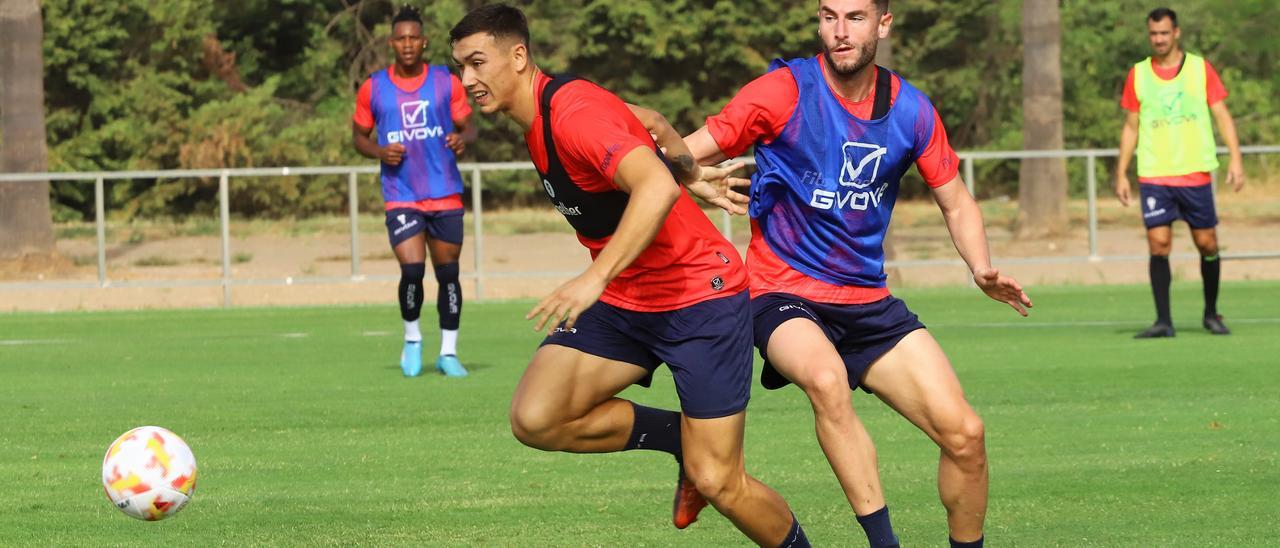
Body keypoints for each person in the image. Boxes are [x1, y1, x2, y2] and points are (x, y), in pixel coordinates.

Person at [449, 5, 811, 546]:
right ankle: (679, 440)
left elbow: (654, 189)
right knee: (537, 417)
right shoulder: (547, 113)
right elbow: (649, 122)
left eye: (477, 63)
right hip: (630, 298)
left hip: (698, 299)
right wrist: (691, 172)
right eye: (459, 67)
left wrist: (597, 275)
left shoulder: (572, 115)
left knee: (720, 482)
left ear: (518, 56)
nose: (467, 80)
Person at [676, 1, 1032, 546]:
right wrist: (687, 173)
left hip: (866, 299)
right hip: (780, 289)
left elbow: (956, 202)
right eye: (829, 16)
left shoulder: (911, 109)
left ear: (883, 24)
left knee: (966, 435)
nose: (840, 32)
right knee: (827, 380)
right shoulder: (783, 91)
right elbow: (683, 154)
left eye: (856, 17)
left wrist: (981, 267)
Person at [352, 5, 473, 377]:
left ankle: (449, 353)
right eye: (400, 38)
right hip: (401, 193)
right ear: (392, 43)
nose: (407, 44)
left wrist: (461, 138)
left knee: (448, 275)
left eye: (413, 38)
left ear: (424, 42)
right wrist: (378, 151)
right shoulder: (374, 86)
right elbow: (358, 137)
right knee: (412, 270)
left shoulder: (445, 81)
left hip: (445, 192)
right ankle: (412, 340)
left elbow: (470, 127)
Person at [1115, 6, 1246, 338]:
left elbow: (1222, 116)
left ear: (1176, 33)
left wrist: (1236, 158)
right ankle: (1163, 322)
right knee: (1158, 244)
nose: (1158, 39)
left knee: (1207, 243)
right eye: (1153, 34)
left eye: (1164, 33)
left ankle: (1210, 313)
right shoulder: (1139, 74)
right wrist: (1120, 172)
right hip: (1155, 174)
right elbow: (1131, 127)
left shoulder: (1200, 69)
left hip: (1194, 173)